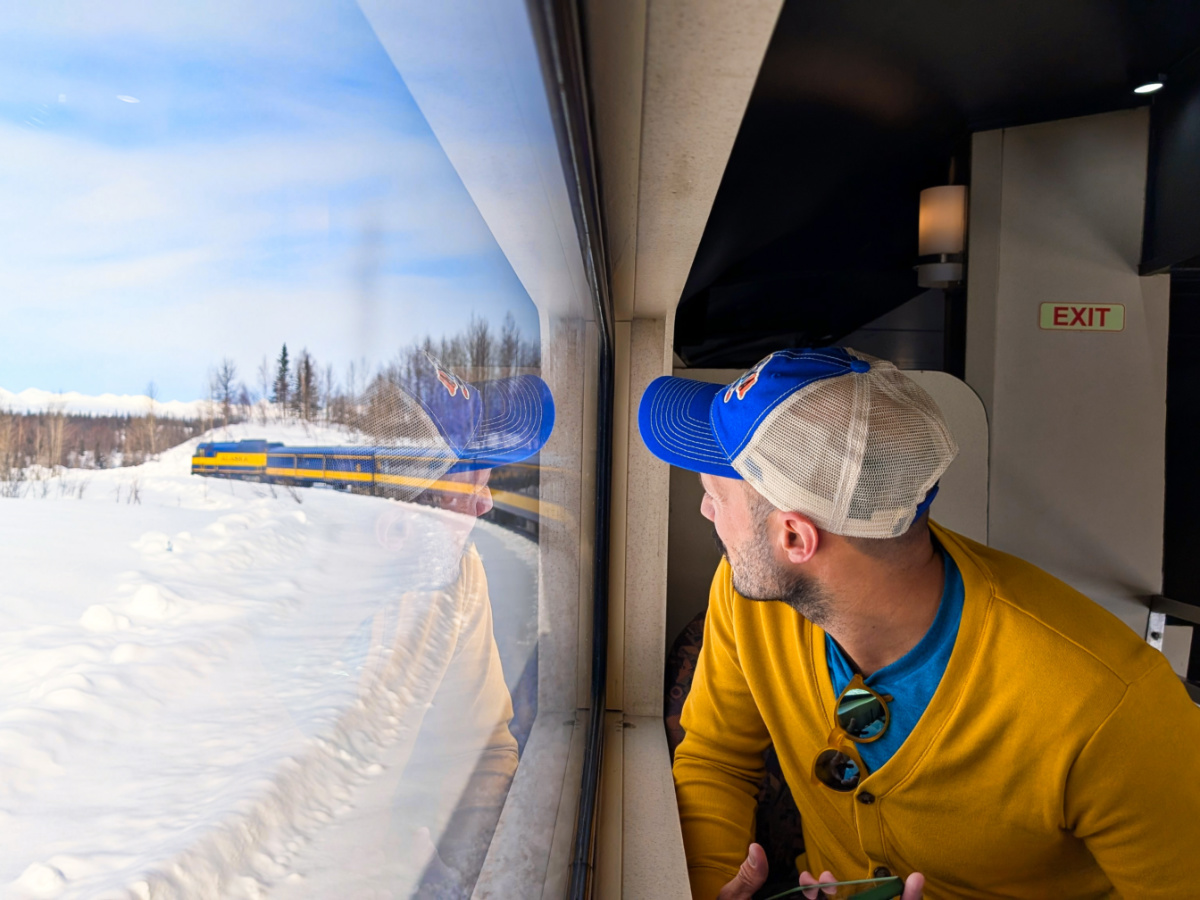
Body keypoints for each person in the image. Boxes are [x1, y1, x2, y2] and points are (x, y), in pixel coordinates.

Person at [637, 347, 1200, 900]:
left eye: (716, 493)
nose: (707, 511)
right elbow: (716, 758)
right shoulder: (748, 601)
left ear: (794, 538)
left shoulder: (1112, 709)